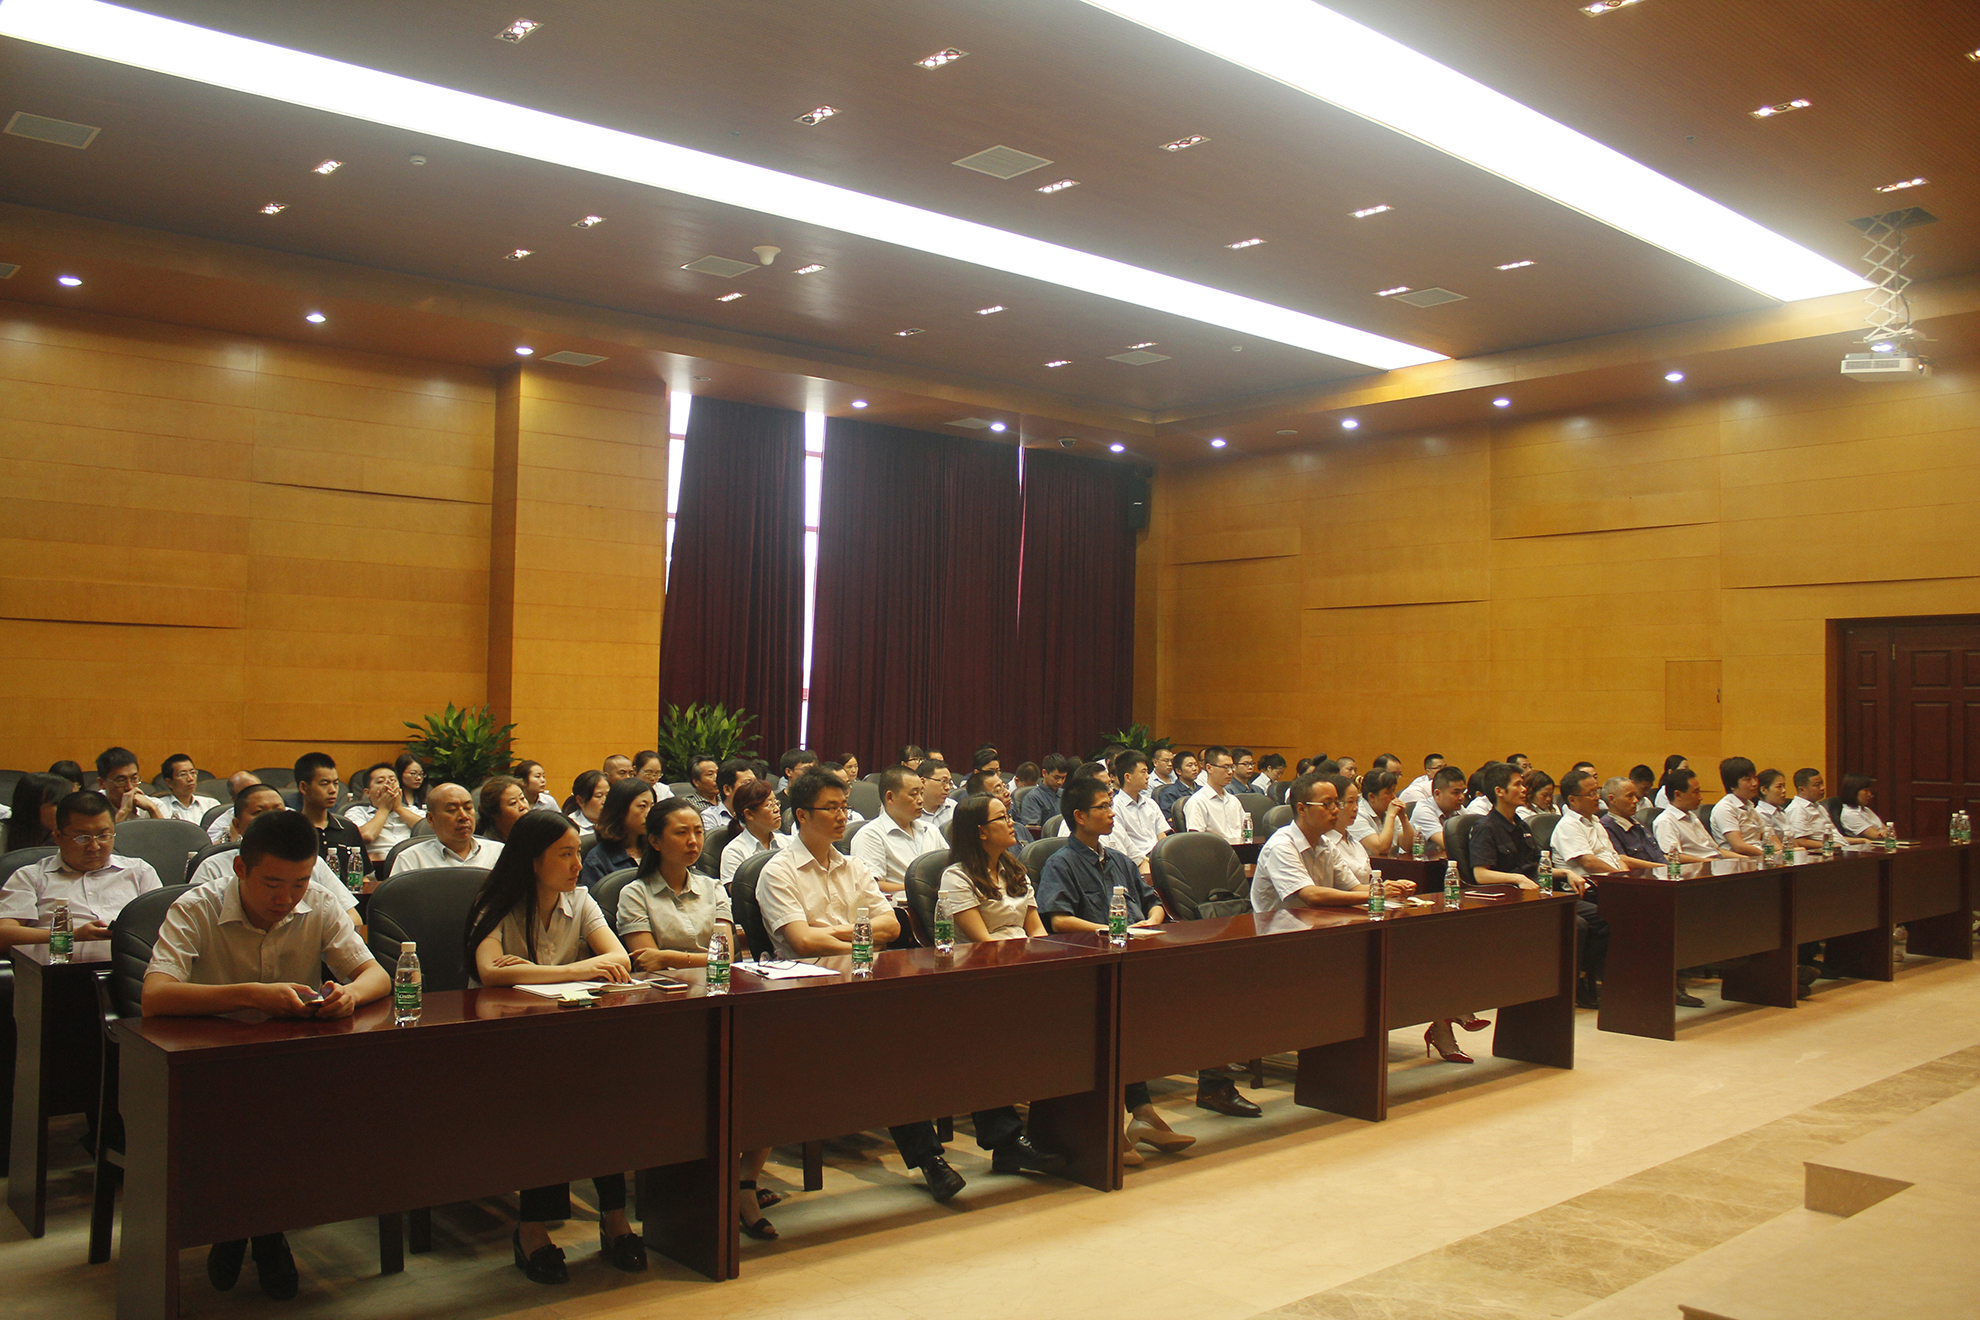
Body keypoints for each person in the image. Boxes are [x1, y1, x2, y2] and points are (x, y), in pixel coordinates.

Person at [142, 810, 390, 1299]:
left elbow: (375, 975)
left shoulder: (319, 903)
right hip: (208, 1064)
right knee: (252, 1114)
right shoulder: (196, 907)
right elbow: (155, 995)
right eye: (272, 884)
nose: (286, 897)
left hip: (288, 1061)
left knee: (317, 1108)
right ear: (240, 868)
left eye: (300, 883)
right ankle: (263, 1233)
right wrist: (251, 995)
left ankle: (247, 1228)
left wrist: (350, 995)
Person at [757, 769, 966, 1201]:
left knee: (927, 1025)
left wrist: (833, 933)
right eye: (830, 808)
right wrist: (859, 938)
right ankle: (930, 1160)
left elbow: (892, 925)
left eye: (844, 807)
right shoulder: (777, 871)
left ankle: (936, 1150)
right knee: (885, 1043)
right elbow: (801, 942)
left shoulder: (853, 866)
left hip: (863, 983)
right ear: (801, 815)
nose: (842, 816)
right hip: (804, 995)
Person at [463, 811, 643, 1280]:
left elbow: (618, 958)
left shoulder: (580, 900)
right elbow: (492, 971)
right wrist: (576, 969)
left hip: (568, 1037)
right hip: (504, 1044)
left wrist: (531, 970)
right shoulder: (495, 902)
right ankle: (532, 1229)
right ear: (532, 859)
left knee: (611, 1093)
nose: (577, 864)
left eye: (578, 853)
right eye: (565, 854)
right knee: (549, 1100)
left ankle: (614, 1217)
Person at [1039, 777, 1253, 1141]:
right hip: (1099, 962)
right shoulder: (1060, 864)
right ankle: (1141, 1115)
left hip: (1143, 952)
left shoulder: (1119, 860)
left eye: (1111, 805)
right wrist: (1110, 929)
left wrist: (1152, 920)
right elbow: (1059, 920)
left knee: (1208, 994)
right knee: (1122, 1021)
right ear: (1079, 816)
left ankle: (1210, 1088)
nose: (1112, 813)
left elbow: (1153, 901)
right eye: (1103, 807)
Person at [616, 798, 784, 1236]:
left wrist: (673, 956)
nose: (694, 841)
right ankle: (698, 1189)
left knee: (769, 1078)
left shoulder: (713, 889)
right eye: (681, 833)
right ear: (655, 841)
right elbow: (644, 960)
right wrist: (696, 959)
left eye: (697, 832)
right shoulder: (634, 893)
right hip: (662, 1015)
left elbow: (725, 957)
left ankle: (745, 1182)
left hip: (718, 1001)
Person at [0, 790, 163, 948]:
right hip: (62, 961)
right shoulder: (31, 877)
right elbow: (4, 935)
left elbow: (164, 925)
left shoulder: (139, 871)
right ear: (58, 837)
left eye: (103, 836)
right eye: (83, 838)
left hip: (131, 960)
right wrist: (71, 936)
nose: (94, 846)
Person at [1547, 770, 1623, 1008]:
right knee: (1613, 919)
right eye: (1591, 793)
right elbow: (1588, 862)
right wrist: (1622, 878)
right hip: (1581, 890)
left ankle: (1625, 980)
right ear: (1572, 799)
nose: (1597, 797)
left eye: (1597, 791)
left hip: (1609, 885)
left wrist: (1627, 876)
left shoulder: (1595, 822)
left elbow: (1613, 856)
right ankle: (1582, 978)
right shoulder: (1569, 825)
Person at [851, 764, 944, 900]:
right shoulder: (870, 835)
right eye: (914, 794)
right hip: (898, 908)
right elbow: (871, 886)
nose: (921, 800)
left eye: (922, 793)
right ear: (890, 798)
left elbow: (949, 869)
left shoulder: (931, 830)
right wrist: (921, 889)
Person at [1467, 763, 1551, 889]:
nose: (1524, 789)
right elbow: (1481, 875)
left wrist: (1565, 873)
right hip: (1509, 893)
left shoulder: (1522, 825)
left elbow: (1535, 868)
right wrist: (1518, 879)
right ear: (1499, 791)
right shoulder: (1485, 827)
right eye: (1517, 785)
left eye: (1523, 784)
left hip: (1534, 887)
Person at [393, 782, 503, 872]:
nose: (464, 816)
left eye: (468, 808)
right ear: (431, 819)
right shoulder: (411, 860)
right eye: (452, 810)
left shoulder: (498, 852)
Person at [345, 763, 424, 866]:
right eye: (380, 781)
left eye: (392, 780)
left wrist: (399, 808)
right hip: (380, 865)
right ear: (367, 792)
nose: (388, 784)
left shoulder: (413, 810)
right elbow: (366, 836)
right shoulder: (357, 812)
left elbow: (429, 830)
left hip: (416, 862)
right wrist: (384, 809)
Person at [581, 778, 655, 887]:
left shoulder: (657, 849)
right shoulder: (598, 861)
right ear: (620, 809)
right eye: (642, 806)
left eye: (652, 806)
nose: (649, 814)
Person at [1108, 750, 1170, 874]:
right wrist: (1147, 862)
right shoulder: (1115, 808)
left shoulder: (1151, 804)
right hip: (1137, 864)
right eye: (1143, 772)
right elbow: (1123, 847)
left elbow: (1162, 837)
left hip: (1159, 859)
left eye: (1147, 771)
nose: (1148, 776)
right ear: (1128, 777)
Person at [293, 753, 364, 859]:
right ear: (303, 787)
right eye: (324, 783)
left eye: (335, 783)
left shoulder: (348, 829)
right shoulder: (291, 831)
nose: (333, 790)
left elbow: (363, 869)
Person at [718, 780, 789, 884]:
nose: (776, 809)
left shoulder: (789, 842)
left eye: (776, 803)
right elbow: (738, 891)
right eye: (769, 805)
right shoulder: (734, 852)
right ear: (749, 814)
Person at [1653, 768, 1723, 863]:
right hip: (1699, 867)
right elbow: (1674, 857)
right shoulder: (1665, 821)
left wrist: (1742, 859)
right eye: (1695, 792)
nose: (1700, 797)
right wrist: (1710, 862)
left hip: (1715, 862)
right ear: (1678, 795)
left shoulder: (1692, 816)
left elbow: (1717, 850)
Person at [1182, 746, 1246, 843]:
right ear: (1209, 768)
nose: (1230, 772)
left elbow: (1246, 833)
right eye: (1225, 767)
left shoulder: (1234, 801)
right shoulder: (1197, 802)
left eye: (1232, 767)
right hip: (1214, 851)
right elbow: (1196, 841)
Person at [1599, 778, 1667, 870]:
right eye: (1630, 796)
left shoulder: (1637, 822)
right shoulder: (1607, 826)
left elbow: (1658, 855)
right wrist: (1663, 868)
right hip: (1641, 876)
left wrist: (1674, 866)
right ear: (1612, 799)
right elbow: (1622, 859)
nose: (1635, 800)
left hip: (1661, 872)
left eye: (1635, 795)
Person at [1708, 757, 1767, 856]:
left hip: (1758, 856)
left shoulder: (1749, 805)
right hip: (1740, 860)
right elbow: (1739, 846)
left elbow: (1766, 835)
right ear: (1732, 785)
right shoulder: (1725, 808)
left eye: (1755, 777)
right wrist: (1767, 855)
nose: (1755, 783)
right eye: (1748, 779)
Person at [1350, 768, 1414, 858]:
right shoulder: (1357, 815)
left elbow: (1409, 846)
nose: (1393, 796)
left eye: (1394, 791)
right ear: (1371, 797)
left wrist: (1403, 817)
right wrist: (1390, 816)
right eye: (1388, 792)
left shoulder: (1388, 811)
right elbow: (1381, 848)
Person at [1409, 766, 1467, 859]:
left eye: (1463, 791)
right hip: (1416, 863)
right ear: (1437, 794)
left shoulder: (1458, 808)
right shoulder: (1423, 810)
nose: (1462, 797)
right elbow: (1449, 845)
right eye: (1456, 793)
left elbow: (1475, 837)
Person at [6, 772, 72, 852]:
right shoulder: (3, 836)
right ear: (32, 806)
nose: (67, 811)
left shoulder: (58, 838)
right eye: (58, 804)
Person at [95, 747, 165, 821]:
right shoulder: (92, 808)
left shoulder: (155, 804)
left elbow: (166, 829)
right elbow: (106, 829)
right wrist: (124, 811)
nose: (130, 787)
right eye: (121, 781)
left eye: (134, 779)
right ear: (101, 783)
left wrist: (153, 809)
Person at [1016, 753, 1072, 838]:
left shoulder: (1066, 794)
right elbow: (1033, 831)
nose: (1060, 782)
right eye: (1056, 777)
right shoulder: (1033, 798)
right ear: (1044, 773)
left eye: (1063, 778)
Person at [153, 754, 220, 824]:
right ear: (169, 782)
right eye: (183, 774)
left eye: (192, 772)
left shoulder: (211, 805)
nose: (190, 778)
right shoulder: (159, 807)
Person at [1784, 768, 1844, 846]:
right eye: (1817, 785)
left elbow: (1837, 837)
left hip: (1840, 846)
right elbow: (1801, 841)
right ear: (1802, 789)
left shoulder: (1818, 806)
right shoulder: (1797, 809)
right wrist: (1830, 846)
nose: (1823, 788)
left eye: (1822, 783)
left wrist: (1859, 841)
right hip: (1824, 851)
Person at [698, 758, 752, 837]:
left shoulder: (760, 814)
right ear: (727, 789)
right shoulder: (709, 818)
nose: (754, 788)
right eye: (747, 783)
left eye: (755, 782)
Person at [204, 771, 261, 842]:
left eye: (258, 789)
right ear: (235, 800)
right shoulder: (224, 821)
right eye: (247, 794)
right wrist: (233, 831)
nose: (256, 796)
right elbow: (212, 847)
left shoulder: (273, 811)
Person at [478, 775, 531, 842]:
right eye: (513, 803)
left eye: (522, 798)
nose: (523, 806)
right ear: (495, 813)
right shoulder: (489, 844)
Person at [1837, 774, 1890, 839]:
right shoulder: (1850, 814)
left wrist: (1887, 832)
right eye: (1866, 790)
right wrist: (1886, 833)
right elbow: (1876, 836)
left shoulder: (1866, 809)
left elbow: (1886, 829)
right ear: (1853, 791)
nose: (1869, 794)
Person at [917, 758, 956, 830]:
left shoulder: (954, 808)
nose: (948, 787)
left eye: (949, 782)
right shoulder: (909, 812)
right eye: (943, 781)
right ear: (923, 782)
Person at [1754, 769, 1791, 835]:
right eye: (1779, 787)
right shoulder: (1761, 814)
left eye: (1784, 786)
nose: (1784, 790)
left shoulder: (1781, 812)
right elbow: (1771, 840)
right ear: (1764, 790)